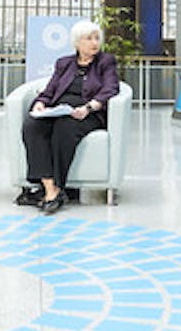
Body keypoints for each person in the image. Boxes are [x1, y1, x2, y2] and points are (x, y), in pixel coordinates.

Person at [20, 19, 119, 215]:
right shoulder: (64, 63)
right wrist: (40, 103)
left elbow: (111, 88)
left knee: (64, 128)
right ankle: (51, 188)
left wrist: (89, 107)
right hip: (60, 108)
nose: (94, 43)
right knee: (32, 125)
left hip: (88, 112)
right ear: (77, 43)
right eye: (88, 38)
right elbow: (50, 90)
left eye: (97, 38)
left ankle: (56, 188)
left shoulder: (106, 62)